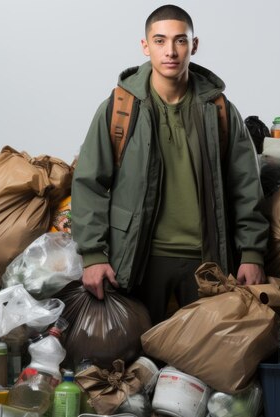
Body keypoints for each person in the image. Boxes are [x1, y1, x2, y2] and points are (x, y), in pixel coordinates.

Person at [71, 4, 269, 324]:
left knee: (206, 364)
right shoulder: (119, 108)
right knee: (137, 361)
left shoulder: (219, 110)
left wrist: (252, 253)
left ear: (194, 45)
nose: (171, 51)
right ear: (145, 46)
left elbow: (245, 187)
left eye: (180, 41)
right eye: (160, 41)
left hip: (207, 260)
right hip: (138, 259)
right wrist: (93, 255)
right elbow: (89, 182)